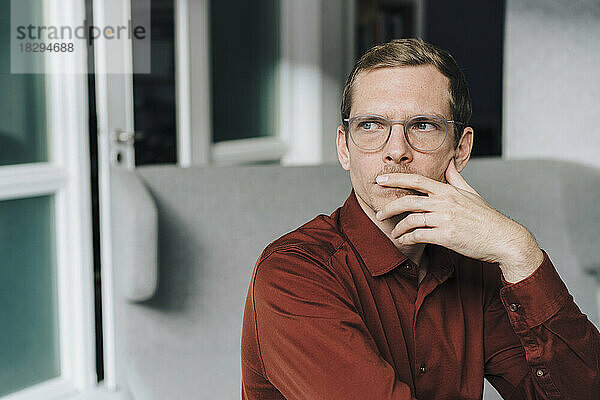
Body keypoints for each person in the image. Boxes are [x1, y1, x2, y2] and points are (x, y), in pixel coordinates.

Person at [241, 38, 600, 399]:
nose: (396, 151)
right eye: (371, 125)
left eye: (423, 125)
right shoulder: (291, 274)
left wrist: (518, 249)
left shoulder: (475, 266)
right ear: (344, 147)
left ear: (460, 149)